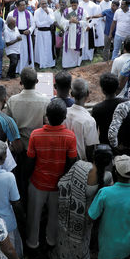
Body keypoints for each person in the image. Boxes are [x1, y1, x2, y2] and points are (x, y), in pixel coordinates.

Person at [24, 99, 78, 250]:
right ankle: (51, 241)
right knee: (55, 216)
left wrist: (26, 177)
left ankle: (32, 242)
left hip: (38, 183)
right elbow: (71, 161)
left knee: (34, 215)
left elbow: (30, 160)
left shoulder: (35, 135)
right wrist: (63, 180)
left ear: (46, 115)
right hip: (58, 185)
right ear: (64, 117)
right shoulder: (70, 137)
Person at [3, 67, 50, 146]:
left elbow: (8, 125)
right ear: (37, 81)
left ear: (21, 83)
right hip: (39, 145)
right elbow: (48, 124)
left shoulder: (12, 101)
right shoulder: (46, 101)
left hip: (19, 145)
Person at [64, 78, 99, 162]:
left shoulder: (63, 114)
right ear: (87, 94)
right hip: (81, 164)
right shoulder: (89, 121)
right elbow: (90, 149)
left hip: (63, 162)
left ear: (71, 94)